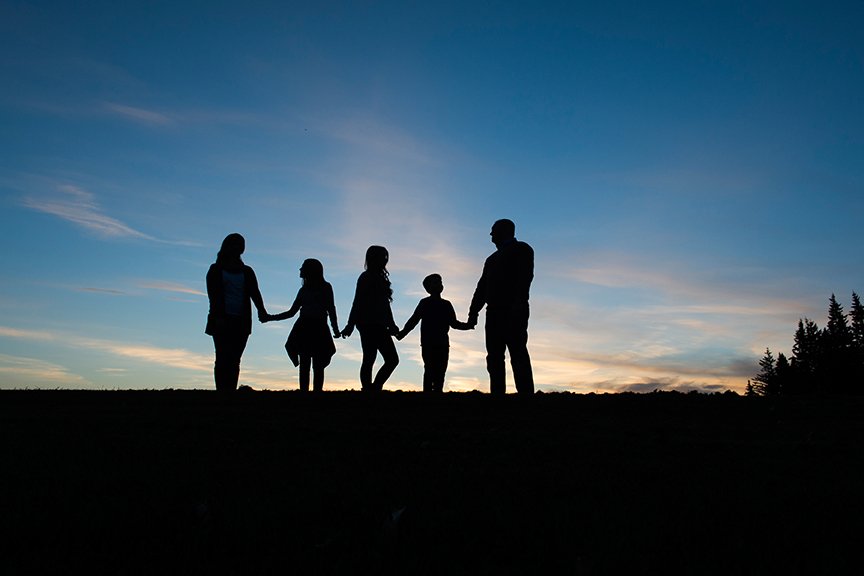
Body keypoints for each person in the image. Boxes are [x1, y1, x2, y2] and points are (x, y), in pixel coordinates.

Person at [467, 219, 535, 395]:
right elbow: (482, 287)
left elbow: (525, 277)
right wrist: (474, 311)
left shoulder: (522, 249)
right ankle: (498, 395)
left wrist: (519, 302)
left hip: (513, 309)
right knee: (494, 356)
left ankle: (526, 395)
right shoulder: (491, 259)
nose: (490, 234)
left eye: (493, 230)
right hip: (494, 312)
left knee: (517, 352)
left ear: (504, 231)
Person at [264, 259, 341, 392]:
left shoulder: (325, 287)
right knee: (307, 363)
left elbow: (331, 309)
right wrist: (270, 318)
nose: (300, 270)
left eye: (303, 268)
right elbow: (291, 312)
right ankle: (305, 394)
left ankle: (315, 393)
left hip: (316, 328)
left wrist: (335, 329)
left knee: (316, 364)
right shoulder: (304, 290)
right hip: (306, 328)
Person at [205, 233, 268, 393]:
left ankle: (230, 391)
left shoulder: (247, 271)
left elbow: (255, 293)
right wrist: (218, 316)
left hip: (242, 320)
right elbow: (213, 296)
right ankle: (222, 391)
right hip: (221, 319)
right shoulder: (215, 269)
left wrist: (262, 311)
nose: (239, 247)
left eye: (241, 244)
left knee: (234, 359)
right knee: (222, 358)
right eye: (235, 244)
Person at [396, 274, 472, 393]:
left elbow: (454, 323)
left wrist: (468, 325)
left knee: (441, 371)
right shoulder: (424, 303)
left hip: (442, 343)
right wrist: (402, 333)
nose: (439, 284)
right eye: (435, 282)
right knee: (430, 369)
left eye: (440, 282)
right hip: (429, 343)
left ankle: (437, 394)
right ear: (428, 288)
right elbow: (413, 320)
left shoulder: (446, 304)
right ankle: (429, 396)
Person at [341, 246, 400, 392]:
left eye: (386, 257)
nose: (385, 260)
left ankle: (372, 388)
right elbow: (358, 301)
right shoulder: (366, 277)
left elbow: (385, 305)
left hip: (376, 324)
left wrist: (391, 324)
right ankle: (371, 388)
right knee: (378, 359)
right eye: (383, 257)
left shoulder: (378, 278)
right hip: (369, 324)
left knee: (376, 359)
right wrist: (350, 324)